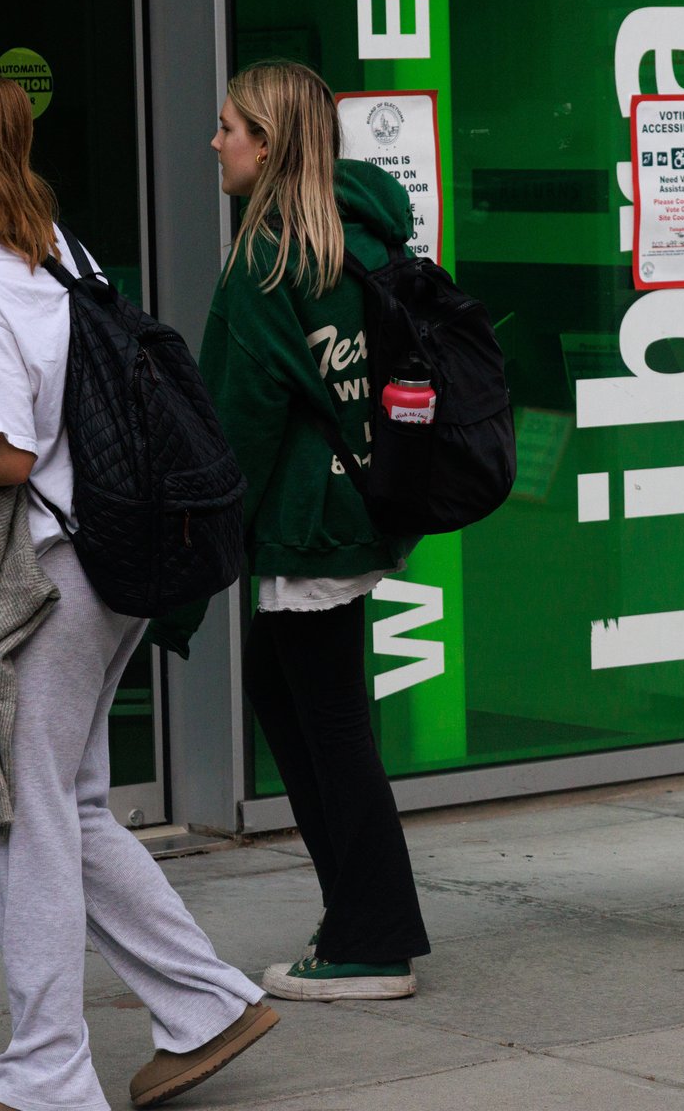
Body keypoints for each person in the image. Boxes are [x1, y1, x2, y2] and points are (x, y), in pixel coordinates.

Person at [0, 70, 275, 1111]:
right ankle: (206, 1005)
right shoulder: (61, 254)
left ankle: (44, 1077)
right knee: (66, 808)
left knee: (12, 821)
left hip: (46, 576)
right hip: (113, 565)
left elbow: (8, 452)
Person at [181, 58, 433, 1000]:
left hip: (304, 528)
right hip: (354, 514)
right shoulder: (359, 236)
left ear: (269, 143)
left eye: (230, 127)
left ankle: (374, 939)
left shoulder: (267, 260)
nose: (215, 143)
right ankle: (356, 917)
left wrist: (193, 547)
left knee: (328, 727)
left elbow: (232, 424)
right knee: (303, 711)